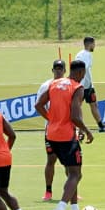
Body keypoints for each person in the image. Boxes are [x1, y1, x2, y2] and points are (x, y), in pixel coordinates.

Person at [35, 58, 94, 210]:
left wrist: (52, 119)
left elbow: (38, 105)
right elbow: (75, 116)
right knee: (76, 174)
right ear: (81, 73)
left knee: (71, 174)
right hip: (67, 136)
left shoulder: (55, 83)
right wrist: (86, 130)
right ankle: (60, 209)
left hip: (51, 134)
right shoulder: (77, 88)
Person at [39, 58, 67, 201]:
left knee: (71, 162)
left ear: (64, 70)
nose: (58, 71)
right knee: (51, 159)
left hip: (68, 130)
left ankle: (72, 191)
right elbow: (39, 105)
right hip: (51, 131)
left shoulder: (69, 86)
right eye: (56, 68)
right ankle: (48, 191)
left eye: (60, 68)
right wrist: (51, 119)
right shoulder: (46, 86)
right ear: (52, 70)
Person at [75, 36, 105, 133]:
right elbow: (83, 69)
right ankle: (80, 130)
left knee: (93, 105)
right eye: (94, 44)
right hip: (82, 86)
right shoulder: (88, 55)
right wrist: (80, 86)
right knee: (79, 107)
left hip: (87, 86)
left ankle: (101, 125)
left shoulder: (79, 54)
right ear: (90, 44)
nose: (94, 46)